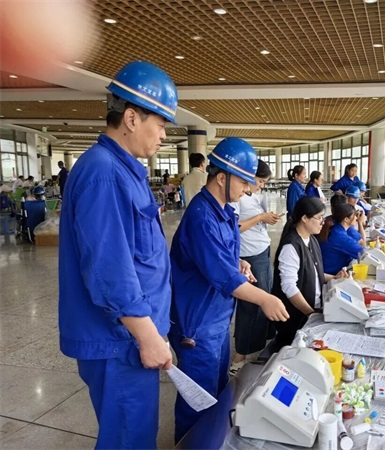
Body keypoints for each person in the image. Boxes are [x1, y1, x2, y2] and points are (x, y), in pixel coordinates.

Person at [58, 60, 178, 449]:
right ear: (131, 118)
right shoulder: (104, 173)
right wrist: (148, 336)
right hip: (119, 339)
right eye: (160, 123)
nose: (164, 135)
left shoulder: (125, 171)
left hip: (131, 335)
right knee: (130, 439)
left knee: (134, 433)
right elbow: (110, 271)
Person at [169, 137, 289, 443]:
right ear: (221, 178)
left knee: (218, 392)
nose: (248, 189)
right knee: (198, 401)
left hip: (217, 319)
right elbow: (223, 277)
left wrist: (238, 262)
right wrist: (265, 299)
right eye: (243, 182)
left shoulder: (223, 211)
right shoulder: (201, 216)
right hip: (197, 325)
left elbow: (221, 257)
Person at [271, 197, 348, 349]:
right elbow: (289, 287)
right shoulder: (291, 246)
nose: (323, 222)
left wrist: (334, 277)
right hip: (295, 317)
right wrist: (311, 314)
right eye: (319, 218)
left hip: (312, 310)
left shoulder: (311, 239)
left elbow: (313, 273)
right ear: (305, 218)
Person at [229, 159, 281, 376]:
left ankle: (258, 346)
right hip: (248, 255)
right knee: (251, 304)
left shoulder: (254, 195)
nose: (262, 185)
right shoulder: (236, 197)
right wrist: (260, 217)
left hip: (261, 249)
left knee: (265, 297)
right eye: (260, 181)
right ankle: (239, 356)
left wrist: (266, 218)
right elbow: (234, 227)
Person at [318, 203, 366, 274]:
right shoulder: (340, 236)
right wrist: (360, 222)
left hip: (328, 270)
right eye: (354, 215)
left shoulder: (335, 228)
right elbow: (364, 254)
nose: (356, 218)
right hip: (333, 274)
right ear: (346, 219)